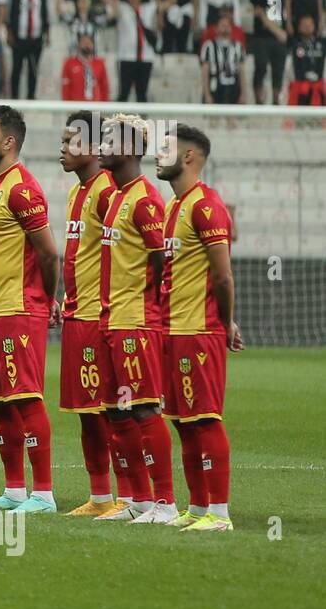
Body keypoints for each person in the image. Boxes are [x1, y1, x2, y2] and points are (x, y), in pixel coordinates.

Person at [0, 106, 59, 514]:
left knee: (25, 398)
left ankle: (43, 494)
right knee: (1, 401)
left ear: (8, 142)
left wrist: (48, 299)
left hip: (19, 309)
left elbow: (49, 253)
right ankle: (15, 491)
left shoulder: (22, 188)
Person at [157, 124, 240, 532]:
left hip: (199, 330)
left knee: (205, 417)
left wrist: (225, 323)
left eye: (166, 148)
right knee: (183, 420)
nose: (158, 153)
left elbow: (223, 277)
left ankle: (220, 513)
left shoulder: (207, 206)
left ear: (189, 156)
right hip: (172, 331)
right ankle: (197, 506)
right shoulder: (175, 206)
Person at [93, 113, 174, 524]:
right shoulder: (116, 197)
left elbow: (162, 259)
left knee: (144, 410)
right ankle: (139, 500)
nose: (100, 147)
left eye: (107, 141)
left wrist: (147, 305)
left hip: (135, 322)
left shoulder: (144, 199)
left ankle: (165, 502)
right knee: (117, 413)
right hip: (111, 321)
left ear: (128, 148)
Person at [55, 111, 128, 517]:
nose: (62, 149)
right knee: (87, 412)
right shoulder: (77, 192)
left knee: (111, 411)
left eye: (71, 143)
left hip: (100, 318)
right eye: (63, 142)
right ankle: (100, 496)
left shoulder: (106, 192)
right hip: (76, 314)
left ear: (96, 148)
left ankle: (130, 497)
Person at [7, 0, 49, 100]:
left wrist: (47, 33)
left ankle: (31, 96)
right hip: (19, 37)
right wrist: (10, 33)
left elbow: (44, 15)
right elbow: (11, 15)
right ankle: (14, 97)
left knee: (33, 69)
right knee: (16, 69)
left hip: (36, 38)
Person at [199, 11, 245, 104]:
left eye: (227, 26)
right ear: (216, 28)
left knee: (232, 117)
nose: (225, 28)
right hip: (215, 87)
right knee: (213, 117)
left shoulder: (238, 47)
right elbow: (205, 72)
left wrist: (243, 93)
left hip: (233, 88)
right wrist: (206, 94)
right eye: (222, 25)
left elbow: (241, 72)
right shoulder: (209, 46)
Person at [287, 14, 326, 106]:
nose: (307, 27)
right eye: (304, 25)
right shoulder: (294, 44)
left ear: (314, 26)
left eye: (310, 25)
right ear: (299, 27)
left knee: (318, 117)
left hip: (318, 87)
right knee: (300, 117)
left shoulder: (322, 44)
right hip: (300, 88)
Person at [61, 33, 111, 101]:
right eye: (84, 42)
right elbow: (65, 87)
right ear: (78, 44)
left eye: (89, 43)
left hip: (95, 107)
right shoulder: (69, 63)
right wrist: (68, 106)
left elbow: (105, 87)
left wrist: (104, 106)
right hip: (75, 106)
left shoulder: (100, 63)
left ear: (93, 45)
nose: (87, 45)